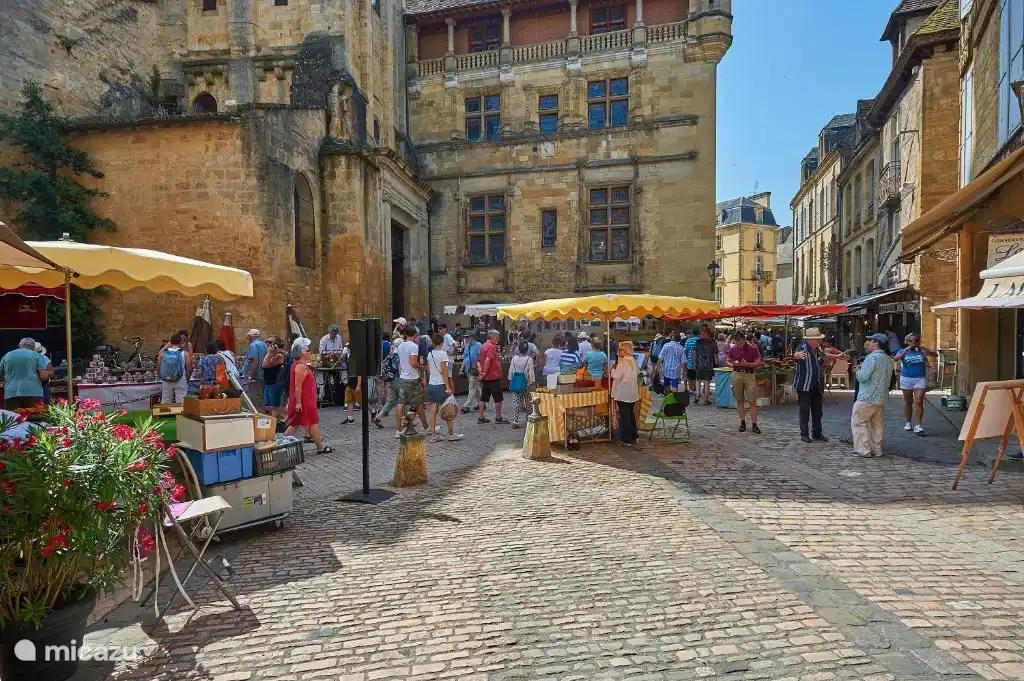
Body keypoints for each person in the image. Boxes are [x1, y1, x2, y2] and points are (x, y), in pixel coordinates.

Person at [284, 338, 333, 454]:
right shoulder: (300, 366)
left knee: (310, 423)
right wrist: (298, 403)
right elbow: (298, 386)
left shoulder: (301, 365)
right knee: (296, 424)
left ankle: (320, 446)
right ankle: (280, 444)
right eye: (307, 350)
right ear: (301, 353)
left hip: (306, 400)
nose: (310, 352)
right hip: (304, 401)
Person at [851, 333, 896, 458]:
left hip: (867, 397)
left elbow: (863, 377)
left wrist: (857, 371)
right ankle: (877, 450)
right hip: (880, 398)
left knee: (859, 423)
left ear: (876, 343)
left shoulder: (871, 358)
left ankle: (863, 450)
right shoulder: (888, 359)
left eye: (870, 341)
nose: (868, 343)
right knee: (877, 426)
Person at [895, 332, 937, 436]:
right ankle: (908, 422)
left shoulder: (921, 351)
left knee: (919, 401)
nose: (914, 342)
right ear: (907, 341)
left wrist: (925, 349)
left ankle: (918, 425)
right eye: (911, 340)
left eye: (916, 340)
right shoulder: (903, 351)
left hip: (920, 379)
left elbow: (935, 355)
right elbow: (895, 359)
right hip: (906, 379)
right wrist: (905, 351)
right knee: (908, 402)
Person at [425, 333, 463, 442]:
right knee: (448, 408)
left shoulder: (430, 354)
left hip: (431, 384)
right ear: (442, 343)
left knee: (433, 411)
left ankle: (433, 435)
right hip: (441, 385)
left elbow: (429, 370)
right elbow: (444, 372)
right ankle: (451, 434)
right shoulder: (443, 354)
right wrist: (448, 387)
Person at [394, 324, 430, 438]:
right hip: (412, 378)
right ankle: (426, 427)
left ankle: (399, 430)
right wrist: (422, 367)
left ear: (405, 334)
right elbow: (413, 363)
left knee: (400, 403)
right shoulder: (414, 346)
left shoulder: (400, 346)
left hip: (403, 376)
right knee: (419, 402)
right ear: (415, 334)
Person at [793, 327, 827, 443]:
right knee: (805, 411)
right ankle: (804, 434)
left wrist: (836, 356)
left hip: (816, 385)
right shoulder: (803, 348)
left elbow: (824, 357)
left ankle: (817, 433)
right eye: (818, 339)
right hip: (804, 385)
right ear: (810, 340)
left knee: (818, 411)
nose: (819, 341)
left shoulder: (817, 349)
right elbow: (796, 355)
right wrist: (796, 355)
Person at [0, 338, 51, 410]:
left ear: (19, 346)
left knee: (13, 416)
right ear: (33, 347)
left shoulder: (7, 355)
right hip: (33, 392)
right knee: (33, 415)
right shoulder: (37, 356)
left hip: (11, 392)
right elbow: (43, 376)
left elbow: (1, 375)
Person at [727, 332, 762, 434]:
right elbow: (727, 360)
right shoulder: (733, 349)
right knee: (739, 400)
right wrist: (731, 364)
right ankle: (742, 422)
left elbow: (758, 362)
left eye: (741, 342)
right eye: (737, 343)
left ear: (744, 340)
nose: (739, 345)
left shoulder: (753, 349)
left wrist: (748, 364)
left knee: (752, 400)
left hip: (749, 375)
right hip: (736, 374)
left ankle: (754, 424)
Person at [611, 340, 640, 446]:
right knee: (630, 414)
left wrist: (612, 370)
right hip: (632, 392)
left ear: (626, 351)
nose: (618, 352)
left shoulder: (623, 362)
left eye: (620, 350)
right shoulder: (634, 361)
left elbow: (617, 375)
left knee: (625, 416)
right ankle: (634, 435)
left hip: (622, 392)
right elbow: (638, 373)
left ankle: (626, 438)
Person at [477, 330, 508, 424]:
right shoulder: (491, 346)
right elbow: (488, 360)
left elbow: (478, 361)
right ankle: (498, 417)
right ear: (492, 337)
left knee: (483, 397)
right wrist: (484, 373)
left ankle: (481, 417)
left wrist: (482, 372)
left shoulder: (483, 346)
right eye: (497, 337)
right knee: (498, 398)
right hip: (493, 376)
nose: (498, 339)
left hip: (486, 377)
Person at [508, 341, 536, 428]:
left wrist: (510, 379)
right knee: (528, 402)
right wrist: (533, 382)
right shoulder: (529, 359)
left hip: (516, 381)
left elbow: (511, 370)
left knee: (516, 402)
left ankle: (515, 420)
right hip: (526, 383)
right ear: (527, 350)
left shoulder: (514, 359)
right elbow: (531, 372)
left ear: (518, 349)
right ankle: (529, 419)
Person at [158, 333, 191, 405]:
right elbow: (189, 368)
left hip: (166, 380)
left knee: (165, 403)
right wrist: (187, 378)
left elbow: (158, 366)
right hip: (180, 380)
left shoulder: (163, 353)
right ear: (180, 342)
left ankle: (166, 412)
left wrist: (161, 376)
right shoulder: (185, 353)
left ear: (170, 342)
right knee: (181, 403)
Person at [243, 329, 268, 410]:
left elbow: (254, 361)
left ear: (251, 336)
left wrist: (250, 375)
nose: (247, 337)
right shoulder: (264, 344)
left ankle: (258, 414)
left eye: (248, 335)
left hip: (256, 376)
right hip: (263, 375)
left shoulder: (253, 345)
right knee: (262, 397)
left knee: (255, 398)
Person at [262, 337, 286, 419]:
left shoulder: (280, 355)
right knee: (267, 406)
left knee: (274, 407)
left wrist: (269, 353)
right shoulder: (273, 355)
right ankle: (281, 419)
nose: (269, 346)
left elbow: (264, 365)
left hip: (275, 383)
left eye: (270, 343)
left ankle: (274, 424)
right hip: (269, 382)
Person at [693, 325, 717, 405]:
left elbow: (694, 353)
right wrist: (717, 363)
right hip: (709, 365)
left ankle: (697, 396)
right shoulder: (712, 342)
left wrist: (695, 362)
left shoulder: (698, 342)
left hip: (699, 364)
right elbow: (715, 355)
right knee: (707, 382)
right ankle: (706, 399)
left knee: (698, 381)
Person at [341, 344, 361, 425]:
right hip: (351, 381)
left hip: (355, 381)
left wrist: (358, 385)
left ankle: (373, 411)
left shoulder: (356, 359)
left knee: (360, 400)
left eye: (348, 349)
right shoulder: (349, 358)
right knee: (349, 399)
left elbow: (360, 372)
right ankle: (350, 418)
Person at [683, 328, 700, 392]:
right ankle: (694, 388)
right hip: (698, 362)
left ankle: (690, 388)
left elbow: (685, 351)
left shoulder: (688, 340)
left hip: (689, 361)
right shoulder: (700, 341)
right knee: (696, 376)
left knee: (689, 375)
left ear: (692, 333)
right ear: (698, 333)